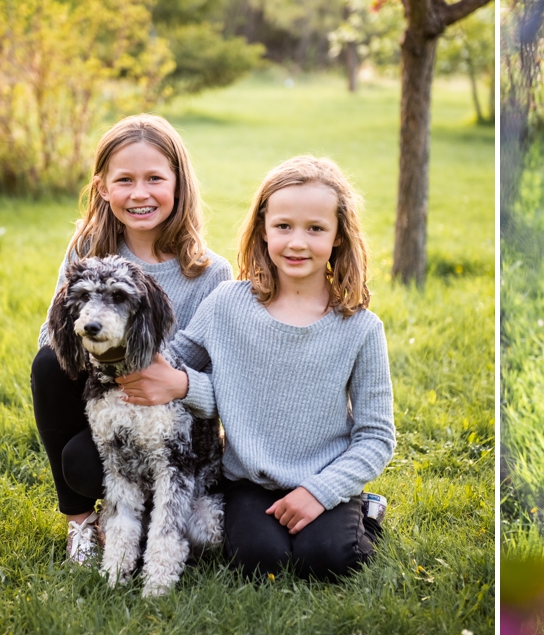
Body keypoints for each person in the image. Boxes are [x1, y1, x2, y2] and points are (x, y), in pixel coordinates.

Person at [119, 155, 394, 580]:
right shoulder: (228, 304)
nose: (297, 243)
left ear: (339, 236)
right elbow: (176, 366)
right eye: (283, 226)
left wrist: (319, 493)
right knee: (258, 560)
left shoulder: (359, 328)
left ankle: (367, 511)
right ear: (263, 228)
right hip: (249, 479)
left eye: (316, 229)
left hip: (324, 476)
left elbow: (376, 436)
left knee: (330, 560)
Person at [29, 114, 233, 565]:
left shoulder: (210, 274)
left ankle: (160, 524)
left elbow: (226, 382)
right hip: (112, 409)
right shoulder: (87, 248)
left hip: (174, 426)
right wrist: (116, 359)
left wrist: (174, 380)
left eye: (155, 178)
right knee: (50, 372)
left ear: (178, 183)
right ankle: (82, 524)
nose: (140, 194)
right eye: (125, 180)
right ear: (103, 187)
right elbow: (54, 331)